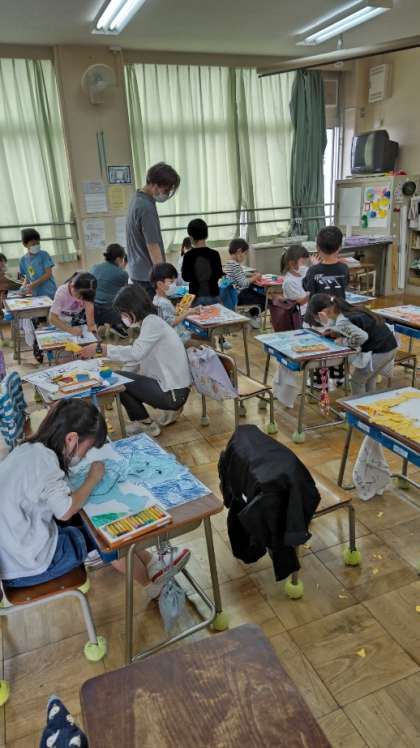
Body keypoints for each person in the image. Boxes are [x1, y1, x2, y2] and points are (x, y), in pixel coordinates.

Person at [0, 400, 189, 594]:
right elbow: (65, 511)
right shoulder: (46, 461)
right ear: (71, 439)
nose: (84, 456)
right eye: (87, 448)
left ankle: (152, 563)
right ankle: (152, 587)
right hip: (32, 565)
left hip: (15, 556)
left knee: (96, 522)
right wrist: (92, 479)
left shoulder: (29, 448)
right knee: (108, 537)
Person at [80, 285, 191, 435]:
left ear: (133, 308)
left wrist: (102, 349)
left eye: (123, 313)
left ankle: (146, 424)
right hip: (173, 389)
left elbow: (136, 354)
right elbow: (136, 359)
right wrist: (116, 383)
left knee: (119, 380)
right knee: (119, 381)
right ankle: (146, 421)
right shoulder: (148, 323)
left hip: (173, 392)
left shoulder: (152, 323)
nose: (122, 317)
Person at [308, 293, 398, 395]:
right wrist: (336, 332)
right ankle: (368, 402)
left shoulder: (342, 320)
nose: (319, 321)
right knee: (369, 378)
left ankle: (358, 405)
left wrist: (342, 341)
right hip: (389, 346)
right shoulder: (345, 310)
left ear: (322, 313)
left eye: (317, 318)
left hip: (381, 351)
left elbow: (362, 337)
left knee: (357, 381)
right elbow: (356, 327)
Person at [126, 162, 181, 299]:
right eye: (166, 190)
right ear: (155, 186)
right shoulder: (146, 208)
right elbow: (152, 245)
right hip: (148, 277)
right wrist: (163, 277)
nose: (167, 194)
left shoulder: (137, 198)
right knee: (157, 310)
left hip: (138, 272)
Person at [224, 238, 265, 328]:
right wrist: (255, 277)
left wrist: (250, 275)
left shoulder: (228, 263)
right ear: (239, 251)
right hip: (240, 296)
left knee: (255, 292)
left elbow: (238, 277)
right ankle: (250, 314)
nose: (245, 256)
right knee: (265, 300)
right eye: (245, 253)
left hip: (233, 295)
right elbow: (243, 283)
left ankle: (250, 314)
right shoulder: (235, 265)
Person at [182, 219, 223, 306]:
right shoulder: (215, 254)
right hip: (214, 296)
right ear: (206, 235)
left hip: (196, 298)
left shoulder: (188, 255)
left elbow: (185, 277)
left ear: (191, 237)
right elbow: (219, 274)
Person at [91, 243, 129, 337]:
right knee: (127, 298)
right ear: (119, 259)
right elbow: (124, 294)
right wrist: (122, 268)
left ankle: (100, 324)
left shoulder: (94, 267)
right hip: (110, 312)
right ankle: (117, 324)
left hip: (93, 309)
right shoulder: (122, 274)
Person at [302, 226, 349, 302]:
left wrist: (314, 266)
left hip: (318, 309)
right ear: (340, 247)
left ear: (317, 248)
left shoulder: (313, 270)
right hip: (338, 308)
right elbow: (345, 284)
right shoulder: (344, 268)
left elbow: (306, 287)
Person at [150, 262, 192, 344]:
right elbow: (171, 323)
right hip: (177, 340)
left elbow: (167, 316)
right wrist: (188, 312)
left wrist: (177, 309)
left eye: (174, 282)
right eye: (171, 282)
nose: (174, 285)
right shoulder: (163, 303)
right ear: (160, 284)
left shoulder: (157, 299)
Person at [19, 228, 57, 300]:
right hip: (36, 293)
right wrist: (23, 287)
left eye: (38, 243)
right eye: (33, 244)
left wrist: (33, 284)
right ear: (25, 244)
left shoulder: (44, 255)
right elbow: (27, 276)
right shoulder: (23, 260)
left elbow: (48, 274)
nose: (36, 245)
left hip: (49, 291)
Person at [281, 244, 310, 316]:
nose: (305, 265)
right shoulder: (289, 282)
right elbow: (301, 302)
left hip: (311, 310)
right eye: (303, 262)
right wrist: (313, 292)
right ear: (292, 263)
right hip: (301, 315)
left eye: (306, 262)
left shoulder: (305, 272)